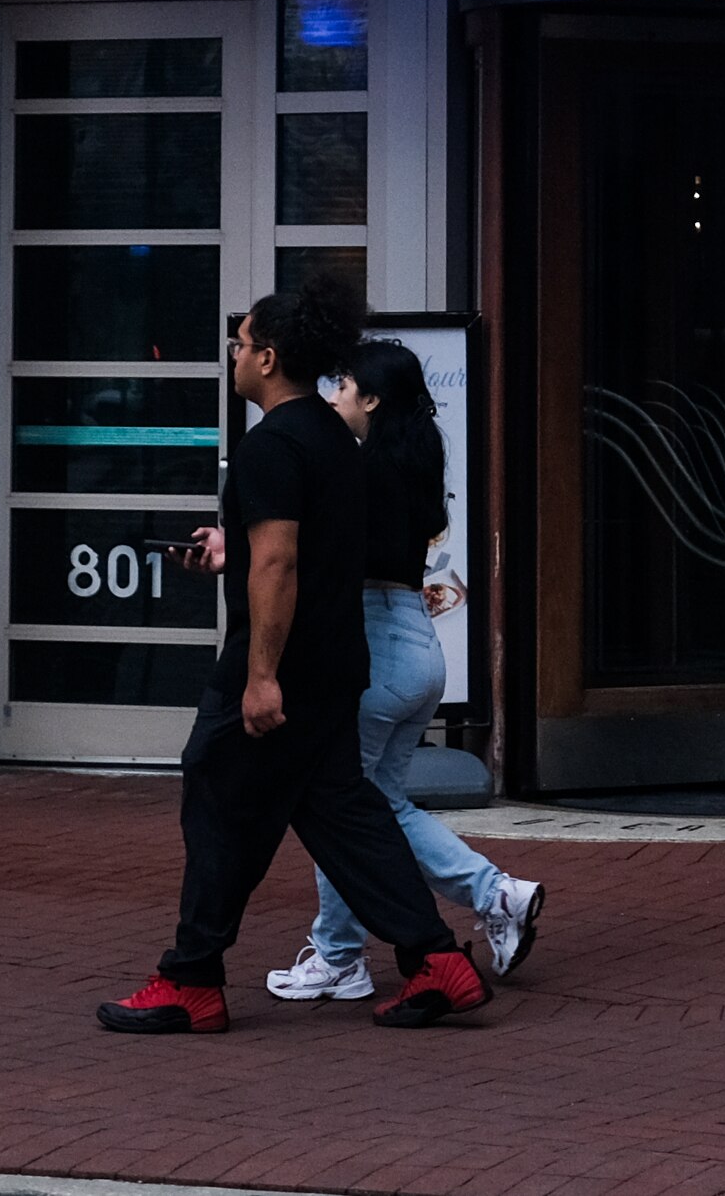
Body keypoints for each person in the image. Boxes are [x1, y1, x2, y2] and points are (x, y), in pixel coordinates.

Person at [98, 284, 495, 1035]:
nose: (236, 356)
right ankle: (437, 960)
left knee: (216, 799)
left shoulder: (273, 443)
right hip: (337, 665)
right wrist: (230, 553)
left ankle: (191, 977)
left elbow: (278, 562)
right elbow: (296, 550)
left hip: (281, 670)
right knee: (344, 814)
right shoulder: (332, 439)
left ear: (270, 356)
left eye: (242, 344)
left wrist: (259, 677)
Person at [265, 337, 546, 1003]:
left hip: (376, 653)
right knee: (377, 803)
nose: (332, 395)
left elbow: (319, 558)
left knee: (341, 807)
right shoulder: (413, 462)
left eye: (343, 385)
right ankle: (491, 894)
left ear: (371, 398)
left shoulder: (358, 472)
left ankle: (341, 954)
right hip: (420, 647)